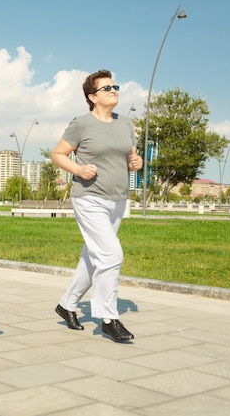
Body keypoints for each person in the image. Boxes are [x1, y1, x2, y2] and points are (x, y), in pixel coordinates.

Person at [52, 69, 143, 342]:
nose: (113, 90)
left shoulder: (126, 123)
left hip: (117, 199)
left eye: (115, 86)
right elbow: (58, 154)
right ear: (92, 97)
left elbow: (130, 158)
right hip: (89, 197)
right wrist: (78, 170)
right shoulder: (81, 124)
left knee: (94, 258)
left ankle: (67, 304)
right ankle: (108, 317)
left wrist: (135, 164)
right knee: (111, 255)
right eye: (106, 88)